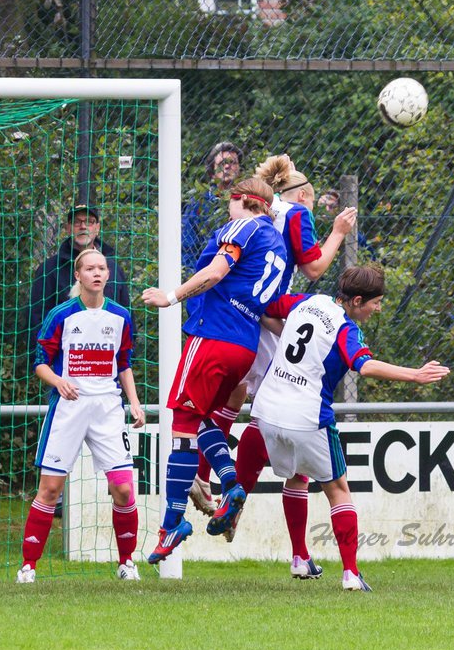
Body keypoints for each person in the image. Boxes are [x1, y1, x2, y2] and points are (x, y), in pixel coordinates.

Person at [247, 266, 450, 590]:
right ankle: (351, 574)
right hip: (307, 417)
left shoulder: (305, 302)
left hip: (267, 411)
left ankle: (300, 557)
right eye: (377, 302)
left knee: (297, 477)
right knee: (339, 489)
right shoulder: (345, 328)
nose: (378, 308)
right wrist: (414, 374)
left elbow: (265, 310)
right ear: (357, 300)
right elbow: (364, 365)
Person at [197, 156, 358, 549]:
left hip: (233, 308)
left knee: (234, 393)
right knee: (270, 402)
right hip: (271, 309)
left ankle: (205, 474)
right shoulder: (297, 214)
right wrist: (338, 232)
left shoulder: (255, 208)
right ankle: (232, 491)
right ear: (302, 194)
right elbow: (315, 268)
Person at [140, 174, 280, 563]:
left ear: (242, 200)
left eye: (230, 202)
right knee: (198, 417)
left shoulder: (242, 227)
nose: (227, 210)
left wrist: (171, 296)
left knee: (181, 429)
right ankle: (231, 480)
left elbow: (216, 272)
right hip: (244, 347)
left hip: (213, 337)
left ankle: (172, 524)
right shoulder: (277, 244)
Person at [18, 248, 145, 582]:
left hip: (107, 409)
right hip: (69, 409)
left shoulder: (120, 316)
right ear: (78, 275)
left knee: (124, 490)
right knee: (50, 488)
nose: (97, 273)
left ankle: (127, 563)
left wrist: (134, 401)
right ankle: (28, 567)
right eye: (90, 268)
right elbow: (40, 362)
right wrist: (59, 381)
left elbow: (124, 363)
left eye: (102, 268)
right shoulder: (61, 315)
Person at [25, 203, 131, 359]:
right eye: (77, 222)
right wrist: (47, 363)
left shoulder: (113, 269)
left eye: (88, 221)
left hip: (106, 365)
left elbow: (127, 318)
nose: (83, 226)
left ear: (97, 227)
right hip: (65, 366)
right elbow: (37, 318)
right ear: (68, 228)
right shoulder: (49, 269)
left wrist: (124, 361)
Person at [181, 142, 244, 271]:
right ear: (212, 172)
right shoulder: (198, 204)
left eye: (232, 162)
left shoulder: (247, 200)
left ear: (239, 169)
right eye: (222, 164)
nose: (227, 166)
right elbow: (188, 248)